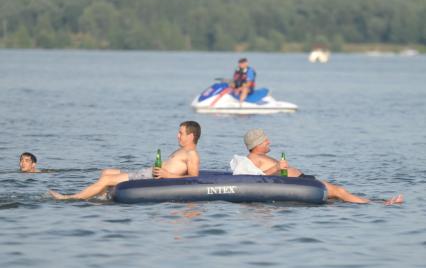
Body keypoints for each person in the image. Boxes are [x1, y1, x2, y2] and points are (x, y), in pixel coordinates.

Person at [230, 129, 403, 205]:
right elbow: (259, 178)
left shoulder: (259, 156)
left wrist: (279, 168)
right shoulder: (255, 157)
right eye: (266, 140)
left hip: (300, 181)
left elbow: (270, 174)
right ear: (258, 143)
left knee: (337, 196)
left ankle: (376, 201)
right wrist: (277, 168)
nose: (269, 142)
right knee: (340, 192)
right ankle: (381, 205)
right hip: (299, 184)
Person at [49, 121, 201, 200]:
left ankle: (71, 198)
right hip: (146, 173)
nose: (177, 136)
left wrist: (167, 175)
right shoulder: (181, 151)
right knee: (106, 172)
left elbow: (194, 178)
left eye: (180, 133)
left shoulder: (192, 154)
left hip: (149, 178)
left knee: (107, 179)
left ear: (191, 136)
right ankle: (98, 197)